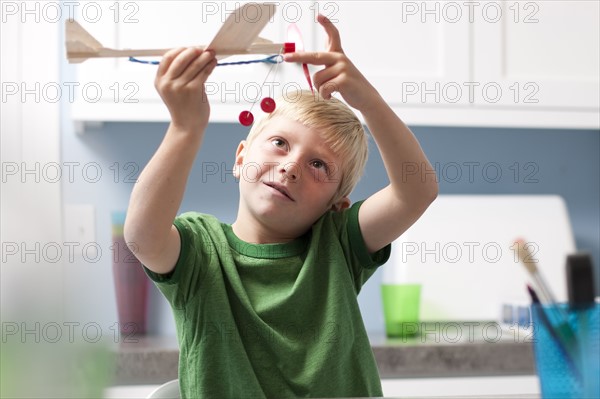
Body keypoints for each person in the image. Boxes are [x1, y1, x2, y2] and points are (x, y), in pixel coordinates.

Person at [124, 14, 438, 399]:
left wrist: (367, 99)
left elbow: (416, 191)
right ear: (241, 158)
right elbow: (142, 238)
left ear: (336, 205)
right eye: (279, 144)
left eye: (318, 165)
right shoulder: (202, 250)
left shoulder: (338, 244)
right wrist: (185, 128)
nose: (291, 167)